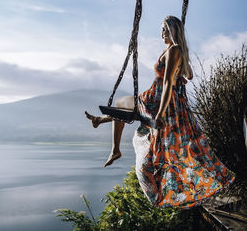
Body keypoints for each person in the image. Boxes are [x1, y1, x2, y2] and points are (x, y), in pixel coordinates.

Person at [85, 15, 235, 209]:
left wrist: (161, 112)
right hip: (157, 98)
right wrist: (182, 65)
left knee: (122, 104)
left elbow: (167, 83)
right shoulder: (176, 51)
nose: (161, 33)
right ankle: (102, 126)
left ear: (173, 31)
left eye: (164, 29)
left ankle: (113, 146)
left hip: (157, 101)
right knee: (124, 108)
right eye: (161, 29)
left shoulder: (174, 50)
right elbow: (188, 75)